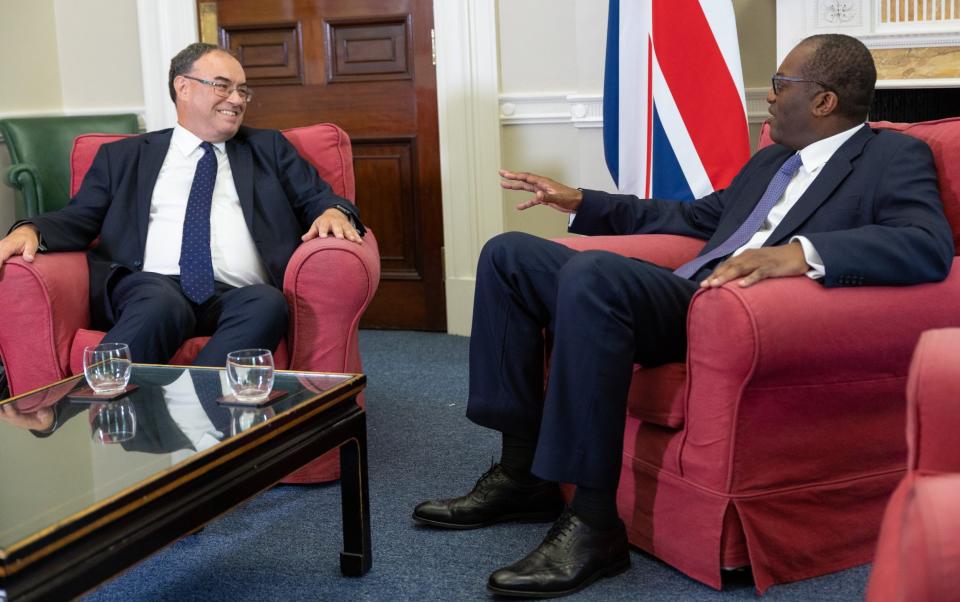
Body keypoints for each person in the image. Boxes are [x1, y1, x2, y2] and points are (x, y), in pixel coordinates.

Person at [412, 34, 954, 598]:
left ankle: (595, 525)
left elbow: (926, 243)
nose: (768, 98)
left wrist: (799, 254)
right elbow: (693, 217)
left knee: (593, 275)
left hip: (734, 314)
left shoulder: (893, 155)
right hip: (684, 296)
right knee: (509, 255)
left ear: (823, 100)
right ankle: (522, 474)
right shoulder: (770, 160)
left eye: (779, 84)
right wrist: (582, 201)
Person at [0, 43, 365, 367]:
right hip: (150, 285)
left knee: (268, 304)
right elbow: (80, 217)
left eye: (242, 90)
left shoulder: (268, 148)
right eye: (223, 86)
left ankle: (194, 417)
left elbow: (317, 196)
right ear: (183, 87)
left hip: (238, 292)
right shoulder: (123, 157)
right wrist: (30, 229)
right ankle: (97, 410)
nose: (237, 99)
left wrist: (333, 211)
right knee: (162, 304)